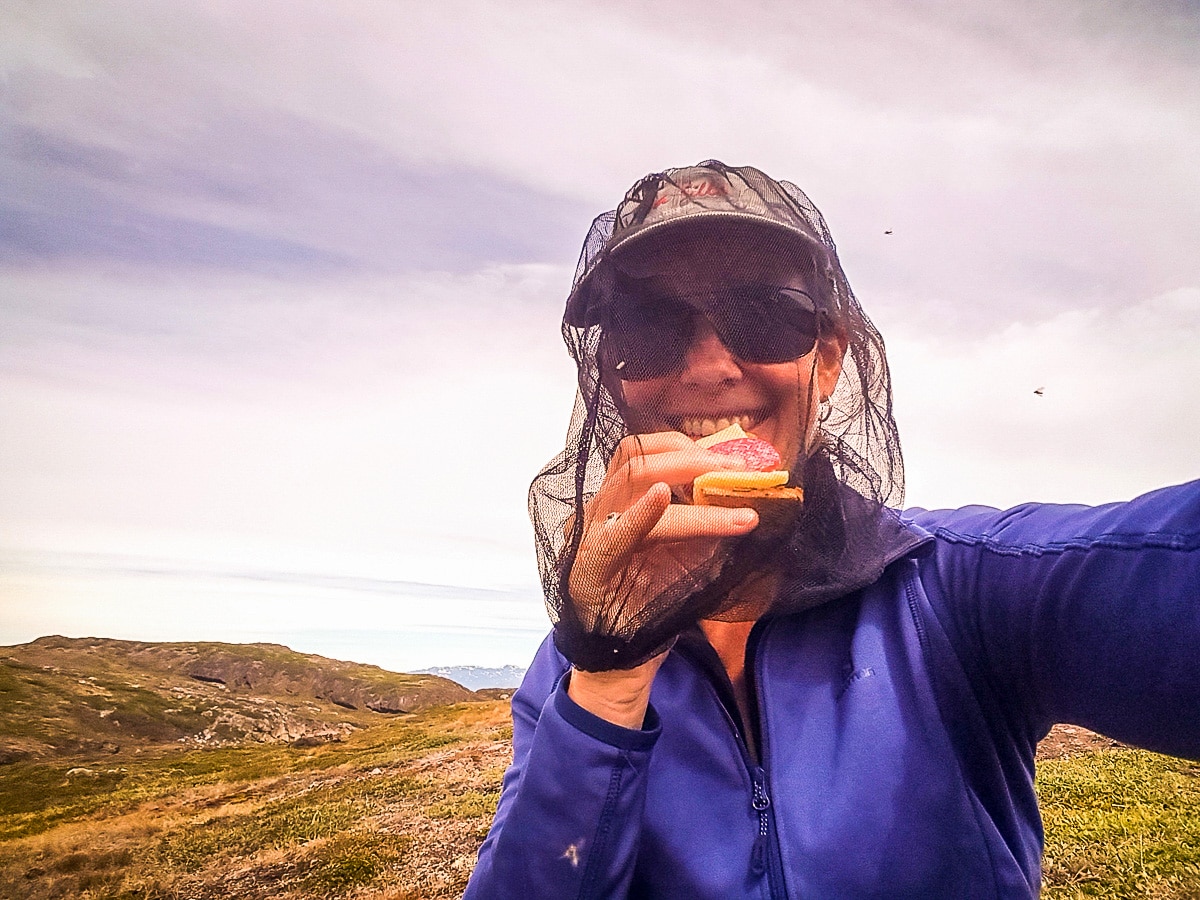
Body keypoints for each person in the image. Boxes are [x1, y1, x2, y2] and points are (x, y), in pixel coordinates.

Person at [463, 161, 1200, 898]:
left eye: (764, 313)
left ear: (832, 357)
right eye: (648, 327)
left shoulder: (957, 591)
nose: (709, 366)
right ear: (612, 372)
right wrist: (611, 677)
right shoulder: (573, 668)